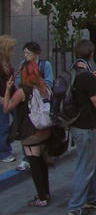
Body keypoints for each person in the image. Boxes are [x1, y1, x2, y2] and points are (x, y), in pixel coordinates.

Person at [68, 39, 96, 215]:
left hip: (77, 125)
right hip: (86, 127)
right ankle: (75, 206)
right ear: (91, 54)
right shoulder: (87, 77)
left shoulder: (73, 73)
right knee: (85, 167)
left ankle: (91, 199)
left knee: (93, 163)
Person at [3, 61, 52, 206]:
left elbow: (6, 108)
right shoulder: (43, 86)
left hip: (31, 133)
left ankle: (41, 198)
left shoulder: (23, 90)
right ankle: (46, 193)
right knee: (42, 162)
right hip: (45, 130)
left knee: (34, 164)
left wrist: (7, 89)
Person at [15, 41, 54, 171]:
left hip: (40, 101)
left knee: (42, 126)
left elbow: (49, 81)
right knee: (26, 130)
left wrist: (36, 85)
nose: (26, 56)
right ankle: (27, 157)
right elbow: (18, 80)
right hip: (27, 102)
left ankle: (44, 152)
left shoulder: (44, 65)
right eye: (25, 53)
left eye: (28, 53)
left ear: (35, 53)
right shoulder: (23, 65)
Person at [0, 35, 16, 163]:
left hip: (10, 96)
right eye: (11, 48)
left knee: (19, 120)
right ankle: (4, 151)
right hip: (2, 98)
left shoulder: (7, 61)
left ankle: (5, 144)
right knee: (3, 125)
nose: (13, 51)